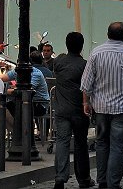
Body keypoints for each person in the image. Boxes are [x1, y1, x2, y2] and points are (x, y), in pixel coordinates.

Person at [81, 21, 123, 189]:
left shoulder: (96, 53)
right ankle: (113, 183)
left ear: (107, 34)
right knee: (118, 146)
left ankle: (102, 180)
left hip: (101, 107)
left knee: (102, 143)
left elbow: (86, 82)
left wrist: (85, 102)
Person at [53, 32, 93, 189]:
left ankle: (60, 177)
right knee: (80, 144)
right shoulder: (84, 65)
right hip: (79, 110)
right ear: (82, 46)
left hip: (61, 109)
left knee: (62, 142)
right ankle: (83, 178)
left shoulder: (59, 62)